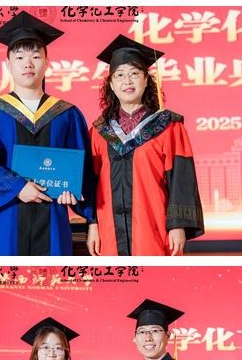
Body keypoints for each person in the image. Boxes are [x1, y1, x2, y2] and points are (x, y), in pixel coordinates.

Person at [0, 11, 94, 255]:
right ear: (8, 65)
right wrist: (18, 188)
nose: (28, 64)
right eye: (20, 57)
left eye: (35, 56)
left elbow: (82, 171)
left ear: (47, 62)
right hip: (6, 220)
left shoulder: (67, 114)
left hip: (53, 219)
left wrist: (73, 193)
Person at [86, 35, 204, 256]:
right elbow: (91, 184)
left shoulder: (169, 126)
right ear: (111, 85)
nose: (127, 81)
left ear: (146, 80)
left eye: (134, 73)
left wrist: (178, 225)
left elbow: (181, 180)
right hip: (109, 229)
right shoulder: (99, 132)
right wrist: (92, 224)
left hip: (155, 227)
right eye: (119, 75)